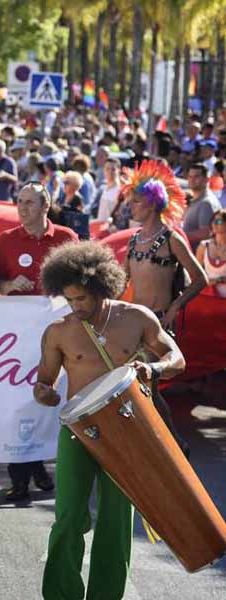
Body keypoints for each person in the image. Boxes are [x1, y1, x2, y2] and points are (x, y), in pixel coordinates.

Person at [35, 241, 185, 600]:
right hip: (79, 432)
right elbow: (43, 380)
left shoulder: (137, 318)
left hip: (129, 432)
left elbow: (177, 358)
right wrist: (44, 393)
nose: (76, 307)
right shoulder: (58, 331)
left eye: (82, 298)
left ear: (102, 286)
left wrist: (154, 367)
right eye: (69, 299)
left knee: (116, 525)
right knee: (68, 517)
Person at [0, 183, 77, 500]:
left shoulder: (66, 239)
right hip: (16, 336)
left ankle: (37, 464)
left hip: (57, 336)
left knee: (47, 396)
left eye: (30, 202)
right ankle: (21, 476)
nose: (22, 208)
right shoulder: (6, 240)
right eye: (19, 202)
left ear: (46, 206)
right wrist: (8, 283)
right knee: (19, 399)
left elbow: (83, 280)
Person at [122, 160, 207, 457]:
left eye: (136, 201)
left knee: (148, 383)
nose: (131, 207)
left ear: (152, 203)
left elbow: (200, 279)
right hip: (134, 324)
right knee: (140, 385)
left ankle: (171, 443)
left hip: (158, 324)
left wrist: (174, 309)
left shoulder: (171, 239)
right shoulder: (134, 240)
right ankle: (161, 442)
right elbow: (122, 283)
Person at [183, 162, 223, 248]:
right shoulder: (196, 200)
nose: (192, 180)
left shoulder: (206, 203)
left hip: (197, 258)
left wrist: (180, 236)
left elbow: (206, 233)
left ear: (207, 179)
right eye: (190, 176)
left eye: (196, 176)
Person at [195, 208, 226, 297]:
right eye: (213, 221)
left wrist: (218, 280)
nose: (214, 224)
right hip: (208, 299)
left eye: (219, 221)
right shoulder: (203, 246)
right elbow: (195, 274)